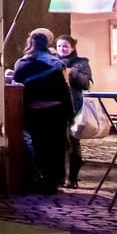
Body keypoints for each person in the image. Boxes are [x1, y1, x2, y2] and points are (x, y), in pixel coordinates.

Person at [11, 28, 73, 193]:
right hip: (56, 113)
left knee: (39, 147)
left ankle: (38, 178)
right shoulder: (57, 63)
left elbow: (17, 86)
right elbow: (65, 91)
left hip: (35, 113)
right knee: (56, 148)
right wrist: (70, 113)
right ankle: (53, 182)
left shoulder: (23, 64)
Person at [54, 35, 94, 186]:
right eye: (59, 46)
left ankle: (73, 178)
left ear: (72, 48)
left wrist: (72, 72)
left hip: (74, 108)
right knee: (59, 144)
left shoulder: (81, 63)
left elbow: (86, 83)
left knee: (74, 143)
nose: (61, 50)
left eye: (65, 46)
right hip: (57, 107)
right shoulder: (53, 62)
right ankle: (59, 177)